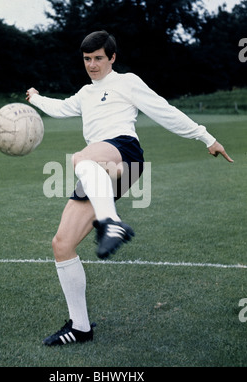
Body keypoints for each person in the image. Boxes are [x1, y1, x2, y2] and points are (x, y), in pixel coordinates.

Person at [26, 30, 233, 346]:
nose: (92, 65)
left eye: (98, 58)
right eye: (87, 59)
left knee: (81, 158)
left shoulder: (127, 83)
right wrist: (36, 98)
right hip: (100, 169)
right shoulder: (84, 93)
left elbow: (165, 111)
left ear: (112, 58)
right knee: (62, 244)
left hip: (124, 152)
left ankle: (111, 223)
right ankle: (80, 327)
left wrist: (206, 138)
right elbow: (61, 107)